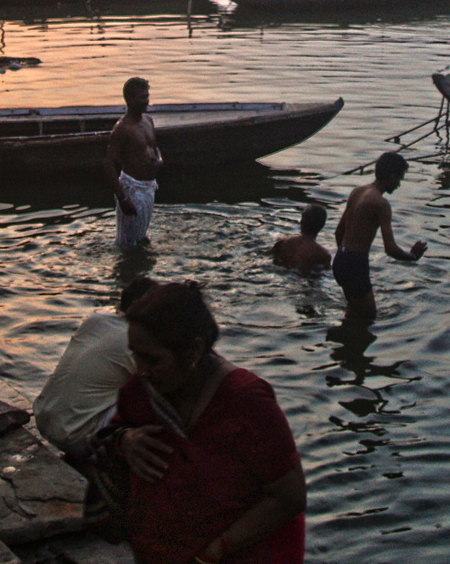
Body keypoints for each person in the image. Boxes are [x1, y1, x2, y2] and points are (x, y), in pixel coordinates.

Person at [95, 280, 306, 564]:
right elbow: (106, 440)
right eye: (134, 354)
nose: (140, 369)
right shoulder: (140, 393)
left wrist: (214, 553)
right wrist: (125, 440)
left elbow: (289, 497)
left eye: (152, 359)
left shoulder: (247, 402)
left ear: (193, 352)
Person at [33, 278, 148, 461]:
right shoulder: (134, 340)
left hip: (43, 419)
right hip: (76, 437)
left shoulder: (97, 319)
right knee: (146, 397)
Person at [331, 152, 426, 318]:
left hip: (340, 259)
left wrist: (344, 258)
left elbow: (339, 232)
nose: (398, 185)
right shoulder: (381, 204)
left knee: (353, 314)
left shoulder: (357, 192)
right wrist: (412, 257)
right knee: (368, 319)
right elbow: (390, 249)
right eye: (399, 179)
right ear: (391, 176)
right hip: (355, 264)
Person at [105, 77, 161, 248]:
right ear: (129, 100)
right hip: (132, 188)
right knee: (127, 244)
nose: (147, 101)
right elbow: (108, 164)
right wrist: (123, 198)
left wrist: (159, 160)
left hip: (149, 187)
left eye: (147, 96)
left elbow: (155, 148)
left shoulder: (148, 121)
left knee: (142, 236)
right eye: (142, 98)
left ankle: (142, 269)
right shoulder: (122, 129)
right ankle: (126, 272)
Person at [272, 204, 332, 273]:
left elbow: (264, 255)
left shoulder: (284, 242)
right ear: (322, 226)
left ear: (302, 222)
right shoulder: (323, 254)